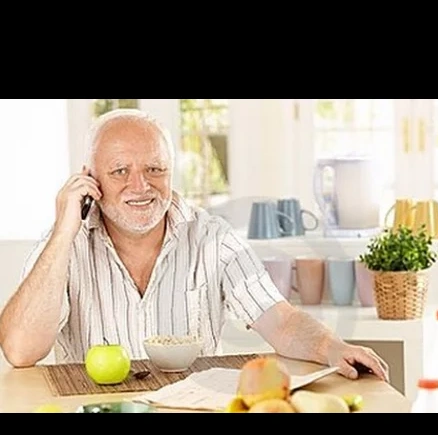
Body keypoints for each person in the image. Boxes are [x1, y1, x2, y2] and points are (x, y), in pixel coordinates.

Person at [0, 108, 389, 382]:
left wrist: (332, 347)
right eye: (120, 171)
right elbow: (20, 351)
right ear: (89, 179)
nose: (141, 186)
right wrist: (64, 233)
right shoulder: (62, 245)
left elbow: (281, 321)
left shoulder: (212, 237)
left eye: (155, 169)